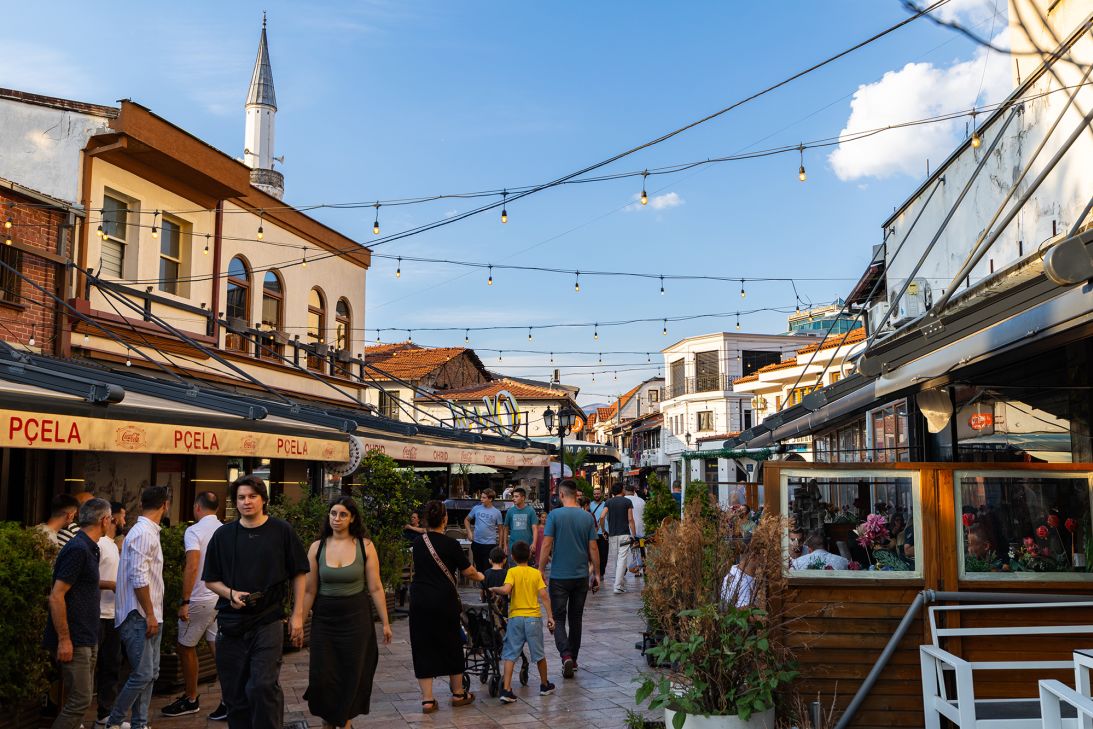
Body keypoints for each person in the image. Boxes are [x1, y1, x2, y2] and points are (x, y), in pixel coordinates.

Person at [202, 475, 309, 729]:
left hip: (268, 620)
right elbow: (210, 580)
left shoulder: (281, 531)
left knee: (262, 686)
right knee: (234, 694)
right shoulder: (223, 535)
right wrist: (230, 594)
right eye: (241, 497)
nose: (246, 502)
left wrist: (297, 616)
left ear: (264, 500)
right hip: (231, 624)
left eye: (252, 496)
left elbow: (299, 573)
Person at [302, 496, 392, 729]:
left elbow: (375, 587)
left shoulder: (365, 546)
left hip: (356, 619)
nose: (337, 518)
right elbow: (310, 590)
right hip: (325, 619)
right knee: (323, 675)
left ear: (352, 518)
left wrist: (385, 622)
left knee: (352, 672)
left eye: (343, 514)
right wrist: (298, 622)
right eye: (333, 513)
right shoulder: (317, 547)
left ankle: (344, 722)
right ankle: (329, 720)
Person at [105, 485, 170, 729]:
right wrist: (150, 614)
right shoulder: (144, 533)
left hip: (147, 614)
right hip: (139, 615)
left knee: (150, 673)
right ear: (165, 505)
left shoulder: (147, 531)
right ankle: (114, 722)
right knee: (143, 674)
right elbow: (139, 577)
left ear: (142, 504)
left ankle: (139, 723)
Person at [410, 500, 484, 713]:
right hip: (444, 600)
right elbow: (468, 571)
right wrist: (481, 576)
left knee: (422, 645)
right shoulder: (451, 544)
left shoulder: (418, 542)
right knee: (452, 642)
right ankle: (458, 693)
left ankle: (427, 700)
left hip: (420, 599)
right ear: (445, 519)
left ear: (426, 519)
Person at [44, 498, 112, 729]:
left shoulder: (90, 548)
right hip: (75, 638)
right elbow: (56, 596)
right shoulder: (78, 549)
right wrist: (64, 639)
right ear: (104, 520)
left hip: (87, 635)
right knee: (80, 701)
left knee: (81, 700)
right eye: (111, 519)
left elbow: (82, 586)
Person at [162, 491, 224, 718]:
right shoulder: (224, 529)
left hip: (200, 597)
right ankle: (230, 697)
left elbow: (192, 565)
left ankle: (190, 698)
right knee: (217, 647)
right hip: (220, 596)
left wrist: (185, 600)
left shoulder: (194, 531)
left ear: (197, 507)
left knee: (185, 647)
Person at [538, 480, 600, 679]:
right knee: (576, 619)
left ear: (562, 495)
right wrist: (597, 574)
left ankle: (565, 655)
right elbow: (593, 548)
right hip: (580, 576)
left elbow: (546, 544)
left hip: (559, 576)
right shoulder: (587, 517)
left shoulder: (554, 516)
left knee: (558, 618)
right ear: (576, 495)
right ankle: (573, 658)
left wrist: (540, 569)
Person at [488, 540, 556, 703]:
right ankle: (544, 685)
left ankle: (506, 689)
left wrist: (494, 589)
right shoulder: (535, 573)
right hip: (533, 619)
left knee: (510, 654)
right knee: (539, 654)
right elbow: (544, 596)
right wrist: (550, 617)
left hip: (515, 618)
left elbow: (506, 590)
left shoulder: (511, 572)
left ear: (512, 557)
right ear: (530, 555)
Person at [94, 501, 123, 726]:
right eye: (123, 516)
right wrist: (111, 585)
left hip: (114, 615)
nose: (124, 521)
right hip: (97, 615)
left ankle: (105, 715)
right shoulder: (100, 544)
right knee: (91, 668)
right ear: (112, 517)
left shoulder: (113, 545)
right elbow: (87, 578)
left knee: (111, 666)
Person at [603, 484, 636, 594]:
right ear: (622, 490)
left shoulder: (608, 502)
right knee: (622, 559)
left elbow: (602, 516)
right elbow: (630, 519)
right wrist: (634, 534)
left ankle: (619, 584)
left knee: (616, 559)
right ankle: (617, 586)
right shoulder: (627, 502)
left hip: (612, 534)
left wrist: (603, 530)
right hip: (624, 534)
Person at [465, 489, 503, 572]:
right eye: (481, 497)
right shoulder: (476, 508)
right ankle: (481, 580)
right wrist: (469, 532)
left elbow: (501, 530)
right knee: (479, 568)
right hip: (476, 543)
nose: (481, 499)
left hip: (490, 545)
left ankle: (487, 581)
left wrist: (500, 545)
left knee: (488, 568)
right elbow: (466, 520)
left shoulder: (497, 512)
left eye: (484, 498)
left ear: (490, 499)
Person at [501, 487, 538, 563]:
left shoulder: (531, 510)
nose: (513, 498)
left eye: (516, 496)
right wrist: (505, 545)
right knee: (513, 568)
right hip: (513, 546)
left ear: (523, 498)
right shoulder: (510, 511)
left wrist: (534, 543)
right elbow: (506, 528)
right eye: (513, 496)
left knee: (527, 569)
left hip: (527, 546)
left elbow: (535, 528)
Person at [624, 484, 646, 574]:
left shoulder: (623, 500)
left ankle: (626, 568)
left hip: (628, 530)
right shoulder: (641, 501)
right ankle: (643, 568)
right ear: (634, 491)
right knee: (641, 548)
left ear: (625, 491)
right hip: (641, 531)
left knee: (629, 549)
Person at [482, 547, 510, 614]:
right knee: (503, 619)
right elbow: (509, 590)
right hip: (503, 606)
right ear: (504, 560)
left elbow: (482, 590)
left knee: (491, 619)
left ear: (490, 560)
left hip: (489, 605)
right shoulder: (506, 573)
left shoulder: (486, 573)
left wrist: (483, 600)